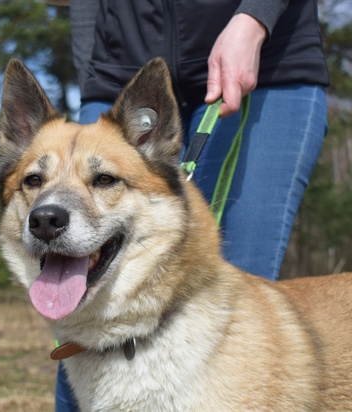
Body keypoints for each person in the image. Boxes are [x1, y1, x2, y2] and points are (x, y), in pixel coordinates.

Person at [58, 0, 329, 410]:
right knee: (83, 323)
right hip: (120, 70)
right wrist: (94, 70)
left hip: (265, 59)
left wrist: (254, 20)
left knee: (242, 305)